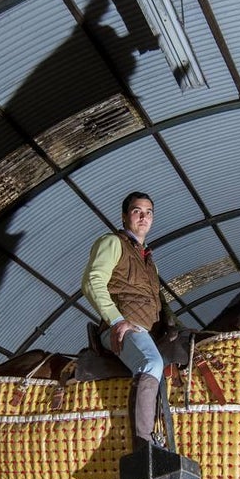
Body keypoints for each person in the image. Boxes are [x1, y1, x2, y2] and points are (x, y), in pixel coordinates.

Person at [82, 191, 175, 454]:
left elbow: (160, 302)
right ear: (125, 216)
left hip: (148, 329)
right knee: (151, 363)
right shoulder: (112, 243)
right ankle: (143, 446)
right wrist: (117, 320)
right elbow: (92, 281)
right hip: (123, 327)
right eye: (137, 211)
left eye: (148, 212)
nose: (143, 216)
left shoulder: (149, 262)